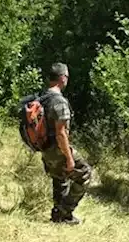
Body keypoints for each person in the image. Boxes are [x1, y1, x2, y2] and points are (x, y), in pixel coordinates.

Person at [38, 62, 93, 225]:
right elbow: (61, 133)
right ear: (62, 78)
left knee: (59, 178)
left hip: (46, 149)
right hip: (58, 149)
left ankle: (59, 216)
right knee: (84, 173)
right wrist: (69, 158)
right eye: (67, 77)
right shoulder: (59, 101)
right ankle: (65, 211)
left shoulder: (42, 98)